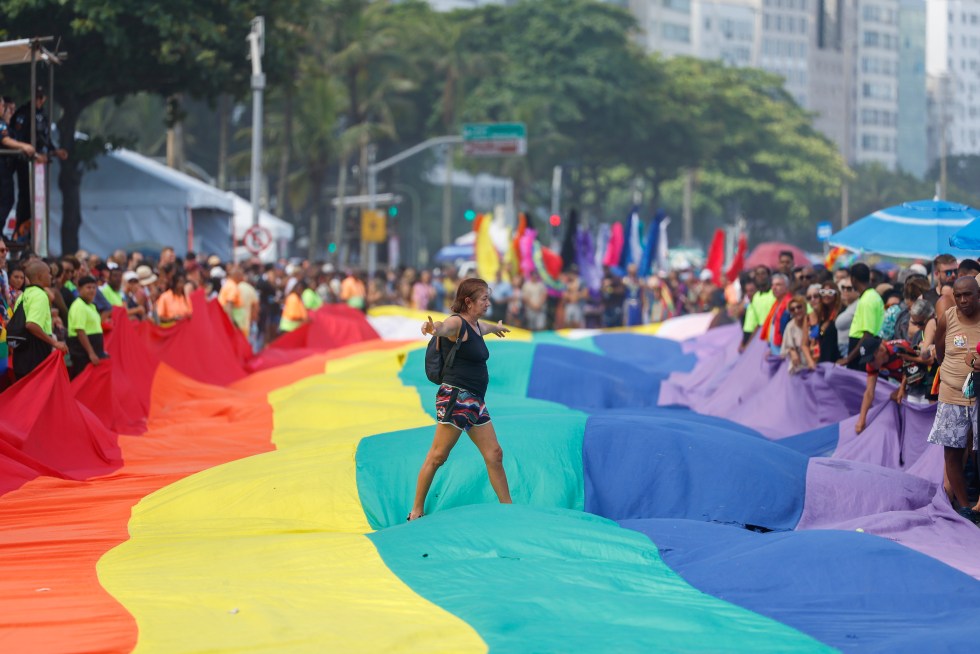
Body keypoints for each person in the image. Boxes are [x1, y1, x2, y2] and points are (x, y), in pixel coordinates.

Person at [409, 278, 512, 521]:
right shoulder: (457, 323)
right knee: (437, 456)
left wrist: (495, 327)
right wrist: (433, 329)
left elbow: (483, 327)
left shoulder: (475, 325)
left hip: (475, 401)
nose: (488, 302)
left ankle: (509, 509)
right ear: (469, 301)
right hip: (456, 398)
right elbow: (443, 327)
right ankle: (415, 511)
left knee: (494, 453)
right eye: (484, 298)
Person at [928, 276, 980, 522]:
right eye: (958, 296)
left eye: (968, 295)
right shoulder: (946, 318)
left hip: (979, 398)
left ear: (978, 295)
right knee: (952, 452)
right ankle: (965, 507)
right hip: (951, 395)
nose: (962, 300)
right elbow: (939, 352)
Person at [11, 87, 67, 236]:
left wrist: (54, 151)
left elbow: (44, 138)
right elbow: (19, 137)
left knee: (37, 198)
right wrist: (33, 154)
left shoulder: (42, 115)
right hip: (26, 161)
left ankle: (33, 231)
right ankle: (21, 228)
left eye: (41, 97)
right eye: (37, 97)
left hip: (39, 164)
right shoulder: (24, 113)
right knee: (25, 196)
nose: (39, 100)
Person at [11, 260, 67, 379]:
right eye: (48, 273)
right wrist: (54, 343)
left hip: (21, 354)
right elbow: (31, 325)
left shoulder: (22, 296)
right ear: (40, 276)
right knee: (37, 394)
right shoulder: (40, 295)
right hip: (35, 351)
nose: (51, 276)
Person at [853, 337, 918, 434]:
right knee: (894, 398)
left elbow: (916, 368)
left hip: (920, 377)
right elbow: (869, 392)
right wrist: (861, 420)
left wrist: (902, 388)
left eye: (871, 359)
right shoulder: (871, 364)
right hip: (908, 383)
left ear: (880, 350)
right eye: (867, 360)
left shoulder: (900, 349)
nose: (870, 363)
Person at [838, 263, 884, 370]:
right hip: (865, 347)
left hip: (862, 350)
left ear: (853, 279)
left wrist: (849, 358)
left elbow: (868, 334)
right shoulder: (873, 296)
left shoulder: (867, 300)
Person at [66, 276, 108, 379]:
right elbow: (80, 331)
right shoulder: (78, 306)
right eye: (88, 287)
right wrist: (91, 353)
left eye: (94, 288)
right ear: (80, 289)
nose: (92, 290)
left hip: (93, 348)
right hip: (82, 352)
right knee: (83, 380)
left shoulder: (92, 306)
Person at [739, 265, 775, 352]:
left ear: (768, 276)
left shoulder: (775, 293)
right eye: (758, 274)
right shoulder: (756, 298)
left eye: (763, 273)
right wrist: (744, 343)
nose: (761, 277)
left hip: (775, 335)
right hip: (762, 340)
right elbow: (751, 326)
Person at [781, 295, 815, 374]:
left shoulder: (812, 321)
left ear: (805, 307)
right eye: (792, 309)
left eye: (799, 307)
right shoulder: (790, 327)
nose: (796, 310)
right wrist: (791, 351)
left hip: (815, 363)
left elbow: (821, 334)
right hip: (799, 368)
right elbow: (784, 350)